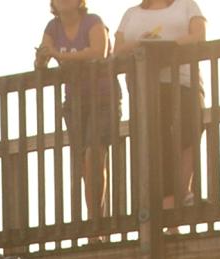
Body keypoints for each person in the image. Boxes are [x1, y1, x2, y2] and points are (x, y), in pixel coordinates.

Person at [115, 0, 207, 207]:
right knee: (159, 140)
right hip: (147, 84)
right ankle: (168, 199)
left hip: (184, 80)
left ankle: (182, 191)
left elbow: (199, 35)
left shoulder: (186, 5)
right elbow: (117, 50)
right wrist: (141, 44)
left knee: (190, 130)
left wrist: (168, 47)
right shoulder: (131, 13)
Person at [36, 1, 119, 218]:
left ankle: (96, 220)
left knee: (94, 154)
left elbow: (98, 52)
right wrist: (41, 58)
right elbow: (43, 60)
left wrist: (58, 54)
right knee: (84, 163)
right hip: (75, 102)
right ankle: (95, 220)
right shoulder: (53, 27)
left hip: (103, 98)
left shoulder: (93, 21)